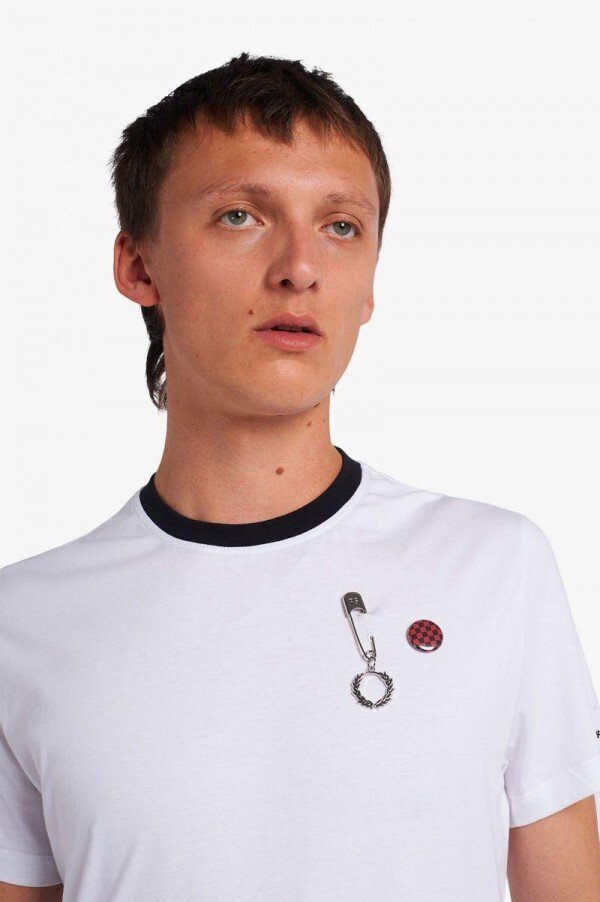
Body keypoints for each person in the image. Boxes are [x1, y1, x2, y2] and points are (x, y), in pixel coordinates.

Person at [1, 51, 599, 902]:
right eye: (240, 216)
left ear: (370, 283)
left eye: (341, 226)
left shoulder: (494, 567)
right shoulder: (23, 625)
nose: (300, 267)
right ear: (139, 266)